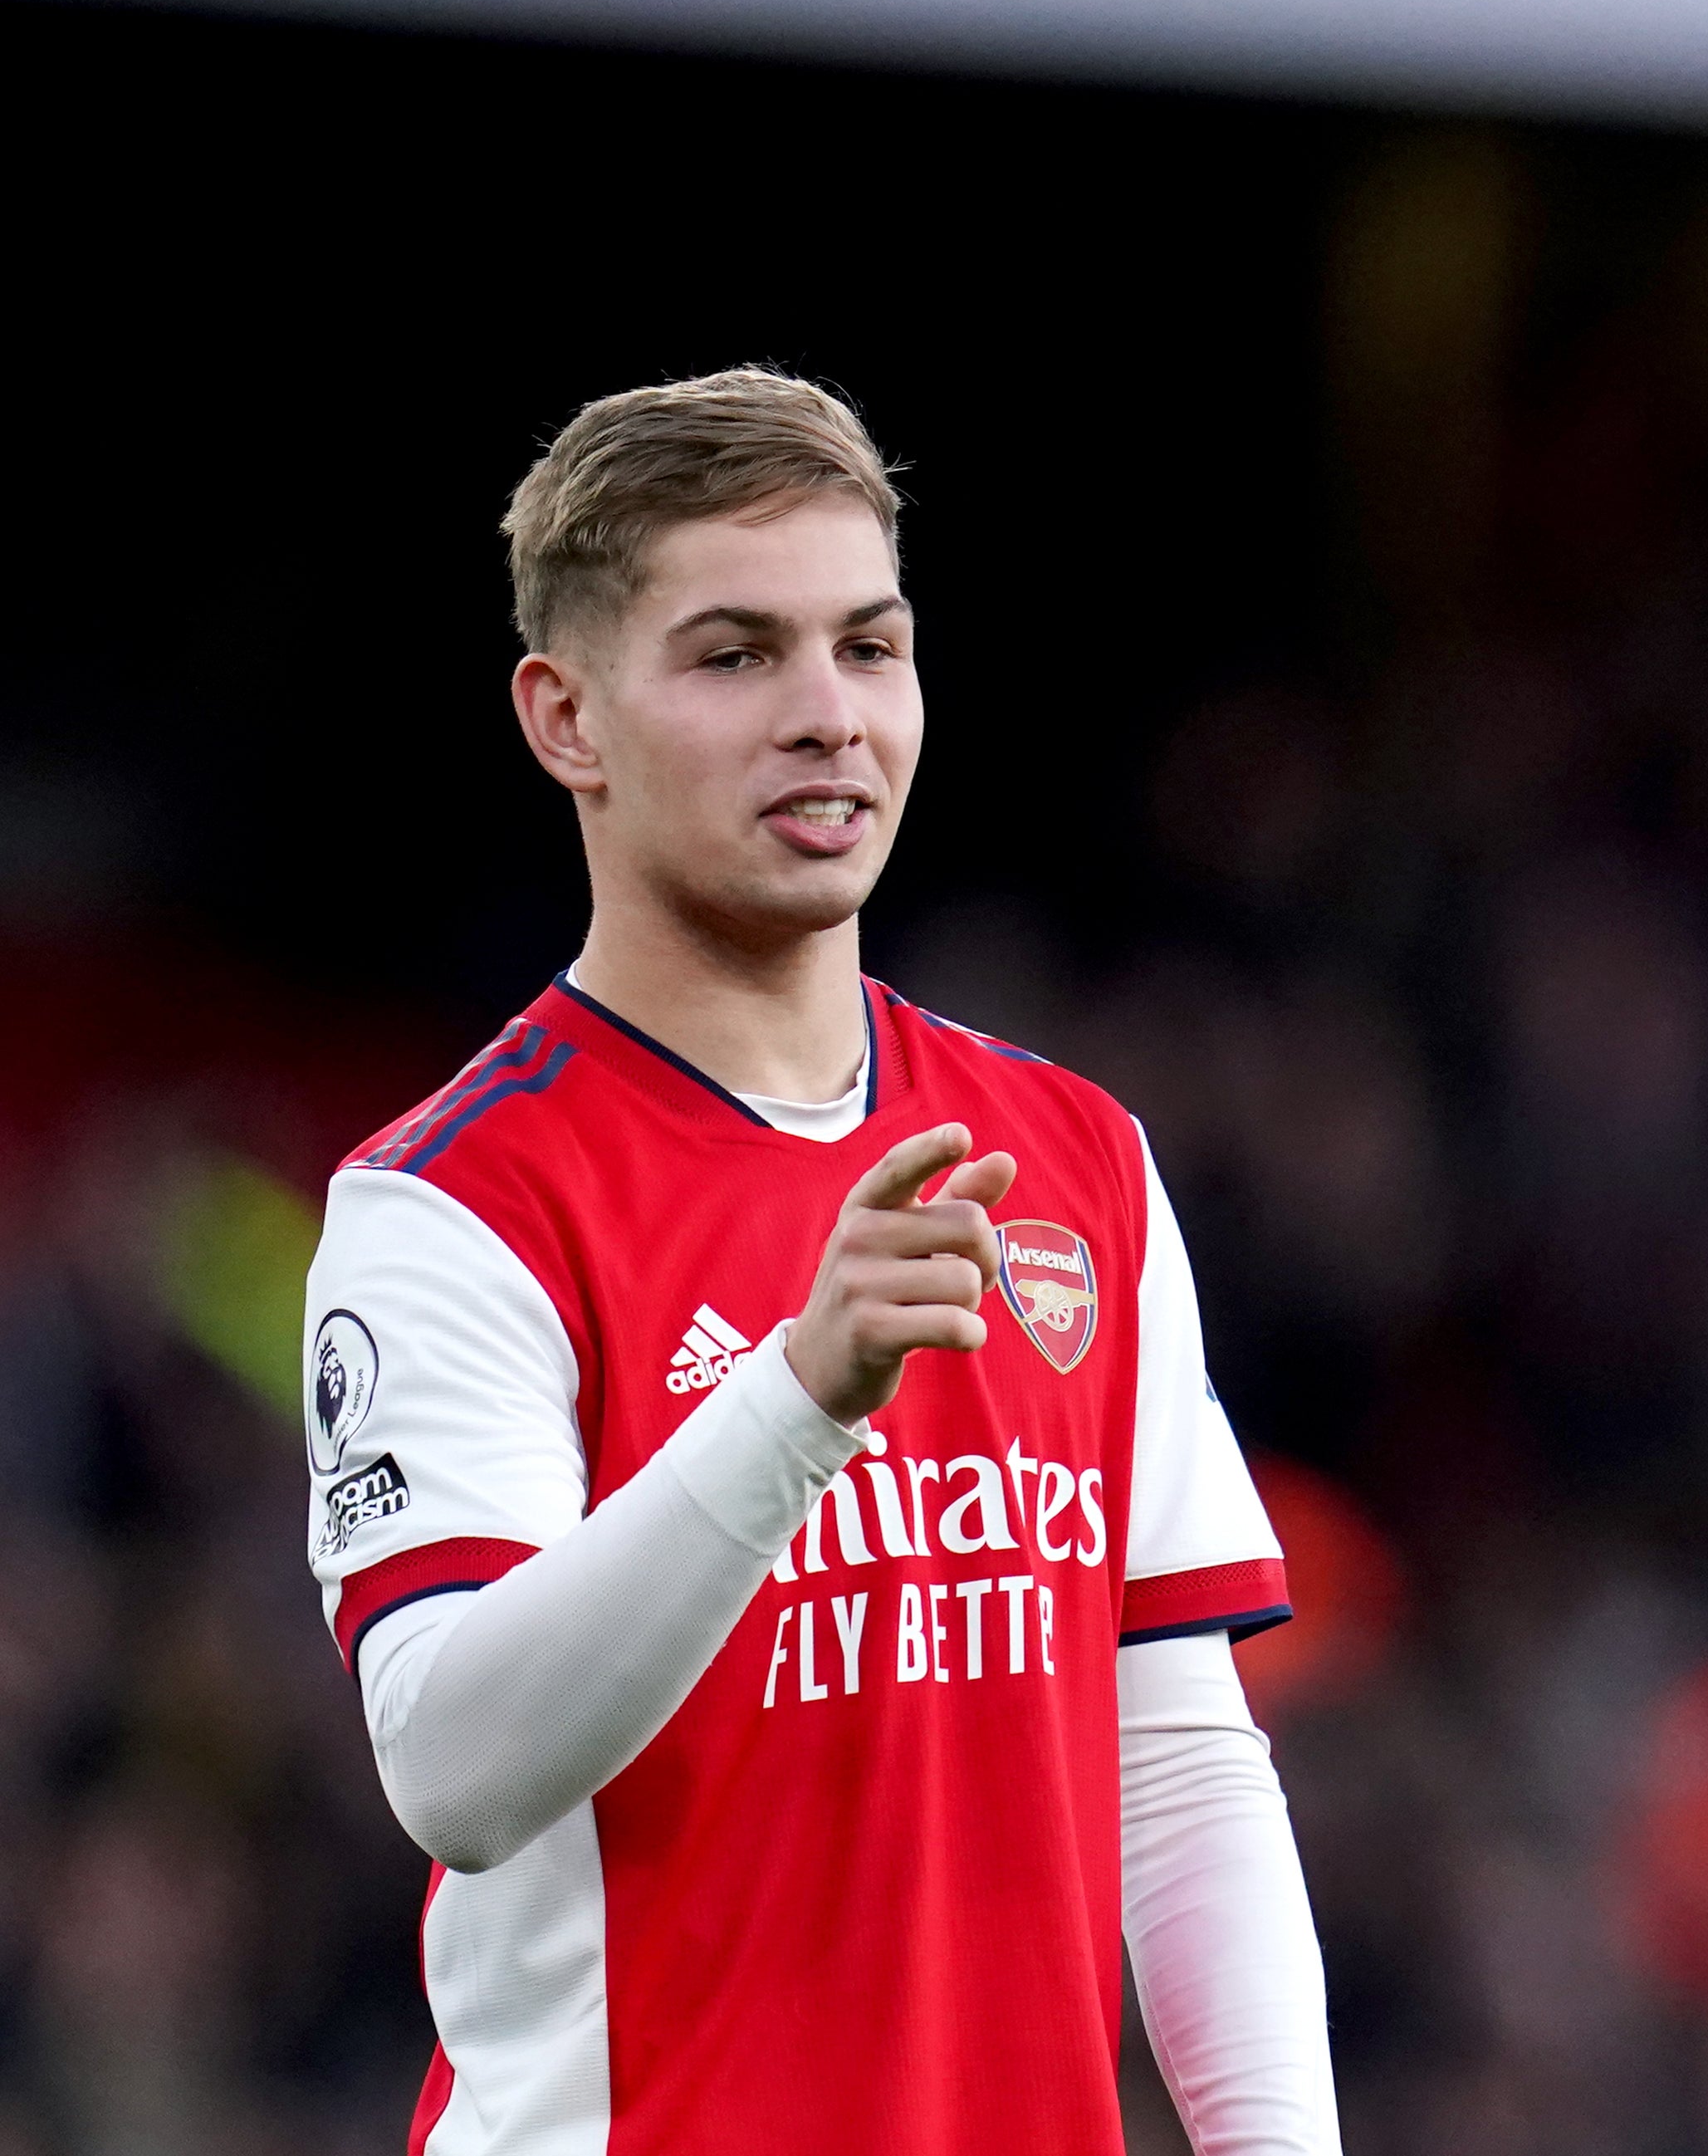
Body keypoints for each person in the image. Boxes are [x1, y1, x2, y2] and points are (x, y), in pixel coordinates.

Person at [299, 370, 1340, 2156]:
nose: (827, 716)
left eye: (869, 644)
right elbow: (455, 1768)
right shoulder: (452, 1202)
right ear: (567, 719)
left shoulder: (1073, 1151)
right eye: (734, 656)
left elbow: (1175, 1758)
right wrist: (796, 1396)